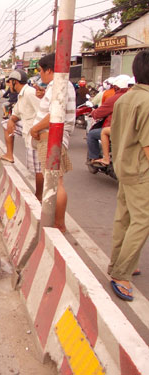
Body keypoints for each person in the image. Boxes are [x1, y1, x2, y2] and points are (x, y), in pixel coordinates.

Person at [108, 51, 149, 302]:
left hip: (123, 166)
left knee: (124, 218)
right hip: (141, 170)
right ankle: (122, 273)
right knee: (142, 221)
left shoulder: (124, 98)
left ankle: (119, 264)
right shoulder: (146, 101)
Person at [29, 53, 75, 233]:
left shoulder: (59, 85)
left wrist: (35, 128)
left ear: (49, 70)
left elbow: (55, 114)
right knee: (54, 180)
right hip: (52, 136)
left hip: (50, 137)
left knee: (56, 182)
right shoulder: (60, 85)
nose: (40, 74)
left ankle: (59, 223)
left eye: (41, 70)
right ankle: (57, 221)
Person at [0, 69, 43, 200]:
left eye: (10, 83)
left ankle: (39, 196)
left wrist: (36, 130)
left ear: (15, 82)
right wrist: (11, 120)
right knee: (6, 124)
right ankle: (9, 154)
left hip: (35, 132)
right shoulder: (21, 95)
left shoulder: (30, 93)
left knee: (38, 168)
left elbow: (43, 112)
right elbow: (16, 112)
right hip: (27, 128)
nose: (8, 86)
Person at [87, 75, 130, 165]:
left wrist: (93, 113)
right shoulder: (134, 96)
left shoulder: (114, 97)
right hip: (132, 129)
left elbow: (100, 111)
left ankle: (102, 159)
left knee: (93, 134)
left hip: (118, 128)